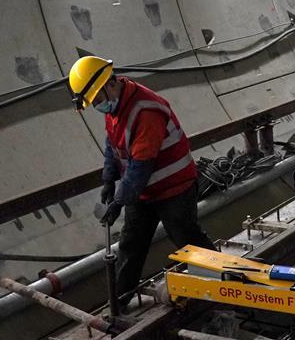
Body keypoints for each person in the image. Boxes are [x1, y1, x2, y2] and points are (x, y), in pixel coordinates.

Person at [68, 55, 216, 306]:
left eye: (99, 100)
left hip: (174, 189)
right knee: (130, 244)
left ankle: (219, 284)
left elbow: (140, 166)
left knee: (187, 240)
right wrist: (109, 179)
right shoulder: (116, 106)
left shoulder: (145, 109)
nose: (99, 106)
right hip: (144, 192)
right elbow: (112, 143)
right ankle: (119, 303)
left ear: (110, 84)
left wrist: (118, 201)